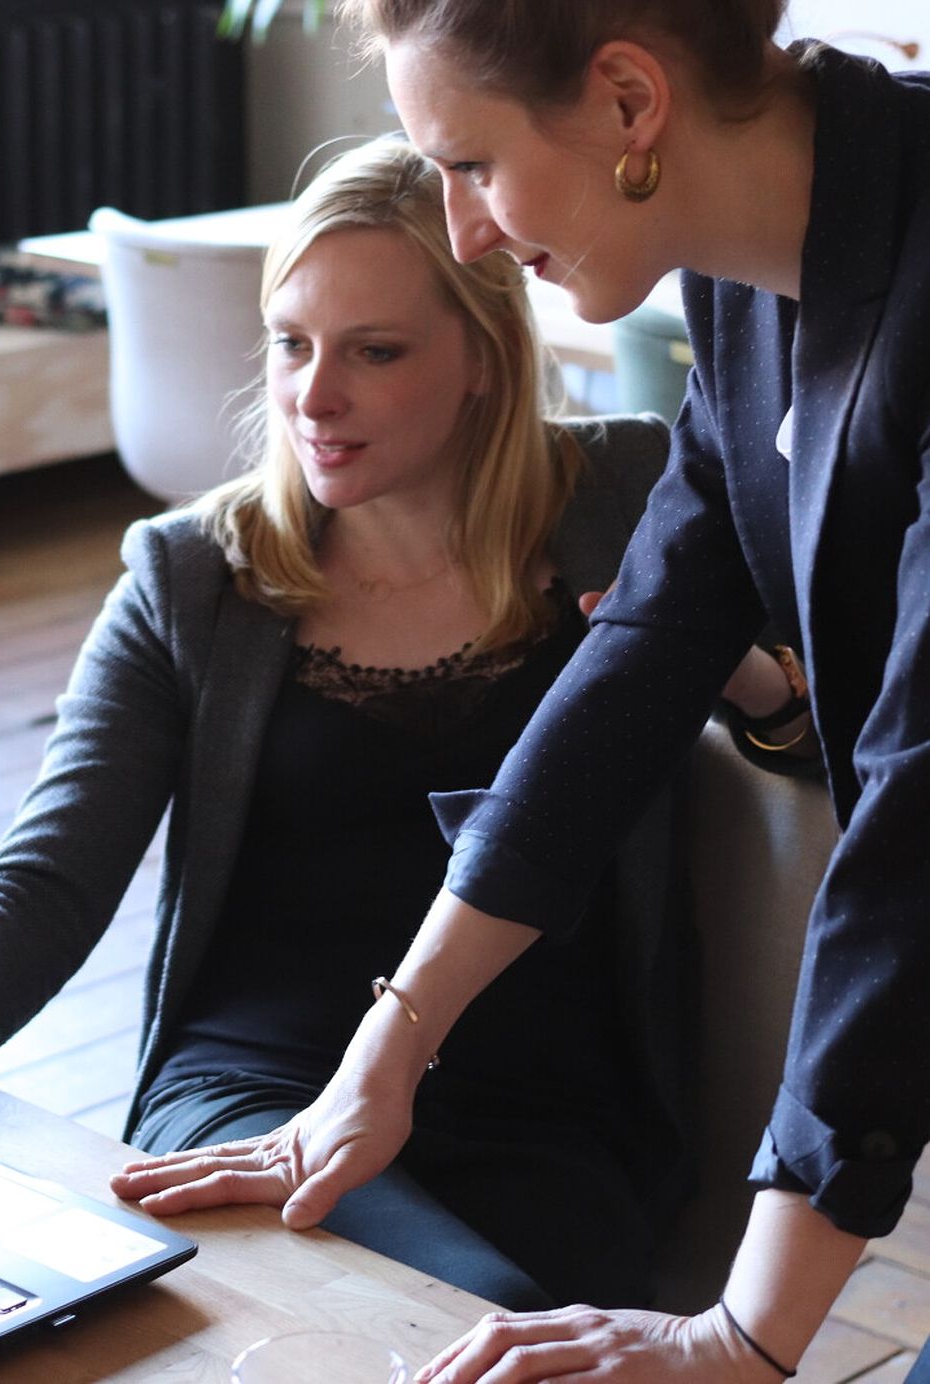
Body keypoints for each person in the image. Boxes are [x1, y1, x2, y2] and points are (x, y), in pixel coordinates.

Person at [0, 135, 782, 1313]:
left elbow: (820, 732)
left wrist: (745, 683)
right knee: (431, 1316)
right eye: (291, 343)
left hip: (550, 1109)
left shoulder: (631, 497)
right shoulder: (193, 575)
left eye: (374, 352)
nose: (312, 396)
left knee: (473, 1316)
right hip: (252, 1089)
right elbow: (50, 874)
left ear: (485, 357)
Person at [116, 3, 930, 1380]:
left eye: (472, 165)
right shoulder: (750, 271)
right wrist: (387, 1052)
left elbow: (917, 813)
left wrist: (742, 1335)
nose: (463, 231)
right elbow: (646, 645)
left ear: (627, 101)